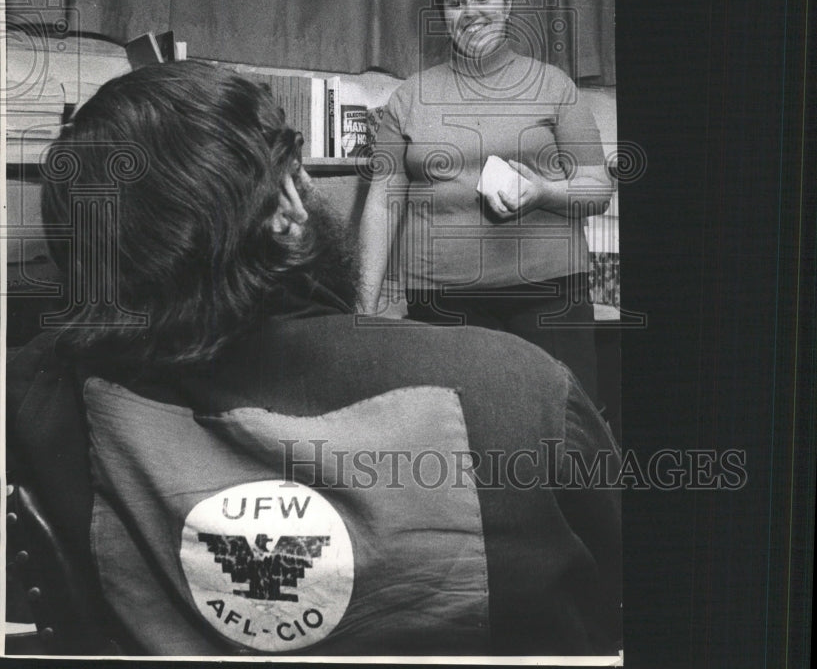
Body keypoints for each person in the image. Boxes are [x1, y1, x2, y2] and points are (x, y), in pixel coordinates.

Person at [6, 61, 621, 657]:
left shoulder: (35, 391)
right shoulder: (524, 389)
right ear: (289, 208)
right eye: (293, 173)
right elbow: (613, 608)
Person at [357, 0, 613, 403]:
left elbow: (597, 189)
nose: (470, 12)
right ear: (442, 15)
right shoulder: (410, 97)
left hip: (548, 294)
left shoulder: (554, 85)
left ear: (508, 3)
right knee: (463, 442)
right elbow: (381, 202)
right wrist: (365, 303)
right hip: (441, 301)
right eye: (455, 4)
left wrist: (542, 192)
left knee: (564, 433)